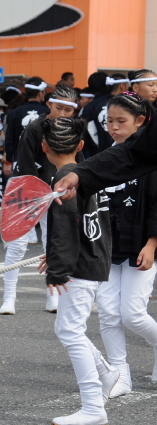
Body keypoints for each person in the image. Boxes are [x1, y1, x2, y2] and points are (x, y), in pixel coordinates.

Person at [39, 117, 119, 425]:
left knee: (71, 331)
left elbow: (65, 225)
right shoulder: (86, 171)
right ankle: (106, 374)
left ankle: (94, 407)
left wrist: (58, 268)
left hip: (80, 263)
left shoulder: (63, 177)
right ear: (81, 145)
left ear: (44, 147)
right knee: (68, 329)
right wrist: (55, 256)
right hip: (92, 257)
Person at [95, 92, 157, 397]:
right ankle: (121, 376)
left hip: (141, 246)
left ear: (140, 121)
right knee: (108, 313)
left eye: (121, 121)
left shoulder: (151, 158)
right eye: (109, 121)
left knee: (132, 314)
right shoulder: (105, 156)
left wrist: (152, 244)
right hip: (108, 246)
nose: (114, 127)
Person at [0, 85, 80, 315]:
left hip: (58, 191)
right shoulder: (35, 127)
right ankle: (9, 297)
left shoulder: (75, 129)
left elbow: (79, 162)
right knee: (17, 244)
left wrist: (74, 185)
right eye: (58, 108)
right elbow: (25, 164)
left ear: (74, 111)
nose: (63, 114)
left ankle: (52, 295)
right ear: (49, 104)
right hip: (28, 190)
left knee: (52, 242)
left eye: (68, 110)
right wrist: (38, 192)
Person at [4, 77, 50, 176]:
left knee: (23, 186)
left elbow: (9, 139)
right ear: (41, 93)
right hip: (44, 162)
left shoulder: (15, 112)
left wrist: (9, 161)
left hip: (20, 160)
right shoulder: (47, 112)